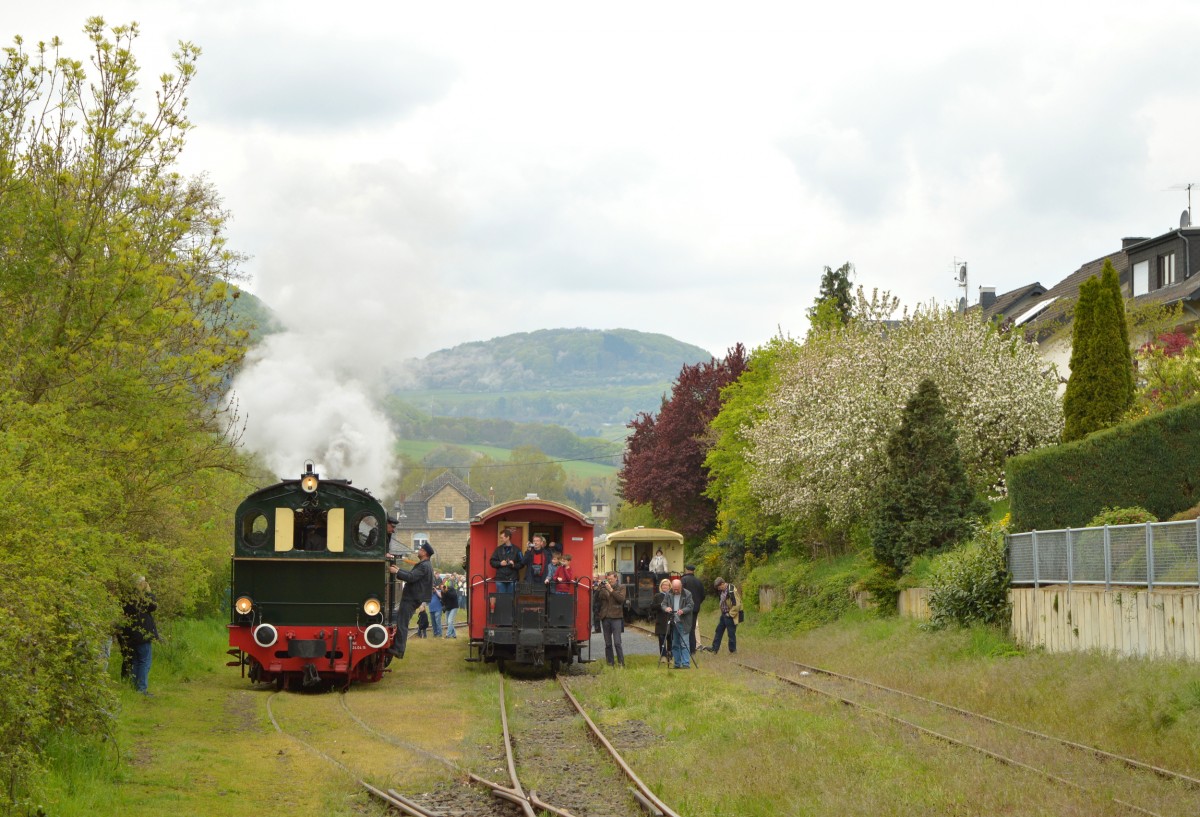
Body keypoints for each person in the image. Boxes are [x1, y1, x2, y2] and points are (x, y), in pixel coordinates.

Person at [387, 542, 434, 659]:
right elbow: (411, 574)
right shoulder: (425, 565)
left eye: (421, 549)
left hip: (411, 598)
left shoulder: (424, 565)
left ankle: (398, 650)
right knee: (402, 622)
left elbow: (411, 577)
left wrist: (397, 572)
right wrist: (399, 570)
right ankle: (398, 648)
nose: (419, 550)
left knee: (402, 623)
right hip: (413, 597)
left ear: (425, 553)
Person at [122, 576, 160, 696]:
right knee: (144, 661)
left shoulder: (126, 597)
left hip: (131, 634)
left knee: (136, 661)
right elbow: (153, 606)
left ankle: (135, 686)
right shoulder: (142, 598)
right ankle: (141, 688)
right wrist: (148, 592)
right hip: (142, 634)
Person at [596, 571, 626, 667]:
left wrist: (611, 590)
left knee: (617, 642)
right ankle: (610, 663)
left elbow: (621, 600)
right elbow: (597, 599)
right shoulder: (603, 587)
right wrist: (599, 588)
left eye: (611, 579)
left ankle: (621, 663)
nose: (609, 581)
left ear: (616, 578)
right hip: (605, 617)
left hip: (616, 617)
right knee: (608, 643)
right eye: (608, 579)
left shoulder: (621, 587)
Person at [664, 578, 695, 669]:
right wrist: (666, 608)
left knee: (684, 643)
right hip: (674, 622)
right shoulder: (668, 593)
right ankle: (677, 664)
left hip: (684, 622)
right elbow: (663, 604)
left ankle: (686, 664)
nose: (676, 590)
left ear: (681, 586)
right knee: (675, 644)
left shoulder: (687, 593)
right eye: (674, 588)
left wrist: (683, 611)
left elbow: (691, 605)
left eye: (677, 588)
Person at [707, 577, 742, 655]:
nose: (718, 589)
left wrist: (730, 614)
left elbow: (737, 605)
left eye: (719, 587)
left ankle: (733, 651)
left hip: (730, 615)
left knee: (731, 633)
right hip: (724, 614)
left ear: (722, 584)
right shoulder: (722, 590)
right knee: (718, 630)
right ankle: (714, 648)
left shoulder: (732, 590)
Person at [680, 564, 706, 654]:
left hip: (684, 608)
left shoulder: (683, 580)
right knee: (692, 628)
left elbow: (679, 594)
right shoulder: (698, 581)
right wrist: (697, 603)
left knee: (683, 628)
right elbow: (703, 595)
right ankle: (692, 649)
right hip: (695, 609)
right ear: (693, 571)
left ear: (686, 570)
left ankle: (685, 648)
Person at [490, 528, 521, 594]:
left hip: (513, 579)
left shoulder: (517, 549)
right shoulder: (498, 549)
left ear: (508, 537)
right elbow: (492, 562)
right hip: (500, 578)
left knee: (511, 599)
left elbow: (522, 563)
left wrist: (514, 565)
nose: (500, 539)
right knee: (501, 599)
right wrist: (500, 563)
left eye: (502, 537)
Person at [652, 578, 672, 658]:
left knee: (670, 638)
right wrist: (661, 605)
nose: (665, 586)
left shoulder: (672, 596)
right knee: (661, 638)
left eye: (666, 585)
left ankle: (670, 655)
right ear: (661, 586)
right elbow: (652, 607)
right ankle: (663, 656)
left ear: (669, 586)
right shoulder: (657, 596)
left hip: (670, 619)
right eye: (663, 585)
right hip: (661, 620)